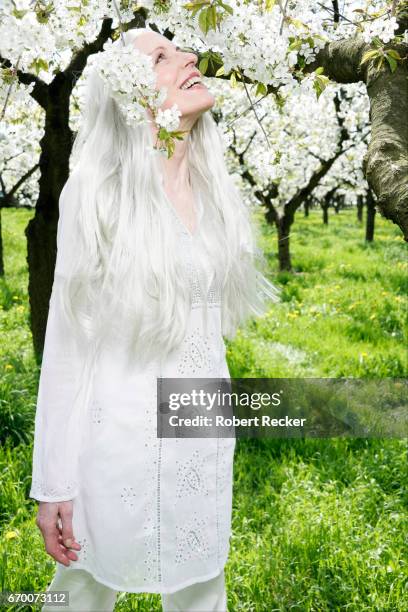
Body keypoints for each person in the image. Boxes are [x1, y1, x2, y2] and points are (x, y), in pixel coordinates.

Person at [29, 26, 280, 612]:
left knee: (200, 588)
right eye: (163, 57)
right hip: (112, 438)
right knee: (83, 587)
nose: (189, 57)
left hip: (197, 435)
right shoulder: (96, 195)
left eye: (180, 49)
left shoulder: (212, 187)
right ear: (131, 96)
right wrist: (54, 483)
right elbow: (67, 345)